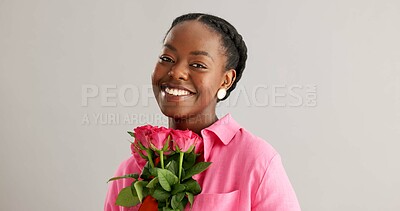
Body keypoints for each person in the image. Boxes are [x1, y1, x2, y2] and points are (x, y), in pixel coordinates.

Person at [105, 13, 301, 211]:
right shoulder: (130, 171)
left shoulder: (256, 161)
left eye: (197, 65)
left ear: (226, 80)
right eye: (167, 58)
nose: (176, 72)